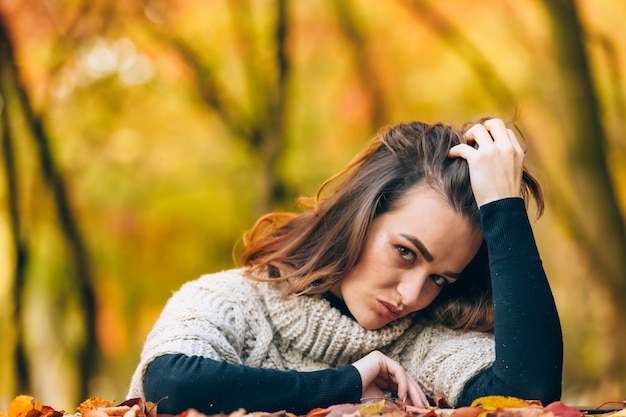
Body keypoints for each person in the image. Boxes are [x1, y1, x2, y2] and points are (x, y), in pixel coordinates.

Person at [127, 118, 563, 415]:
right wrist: (347, 383)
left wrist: (503, 209)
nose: (411, 296)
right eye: (406, 252)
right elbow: (170, 384)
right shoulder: (230, 301)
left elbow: (526, 398)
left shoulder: (424, 344)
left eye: (439, 279)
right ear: (359, 217)